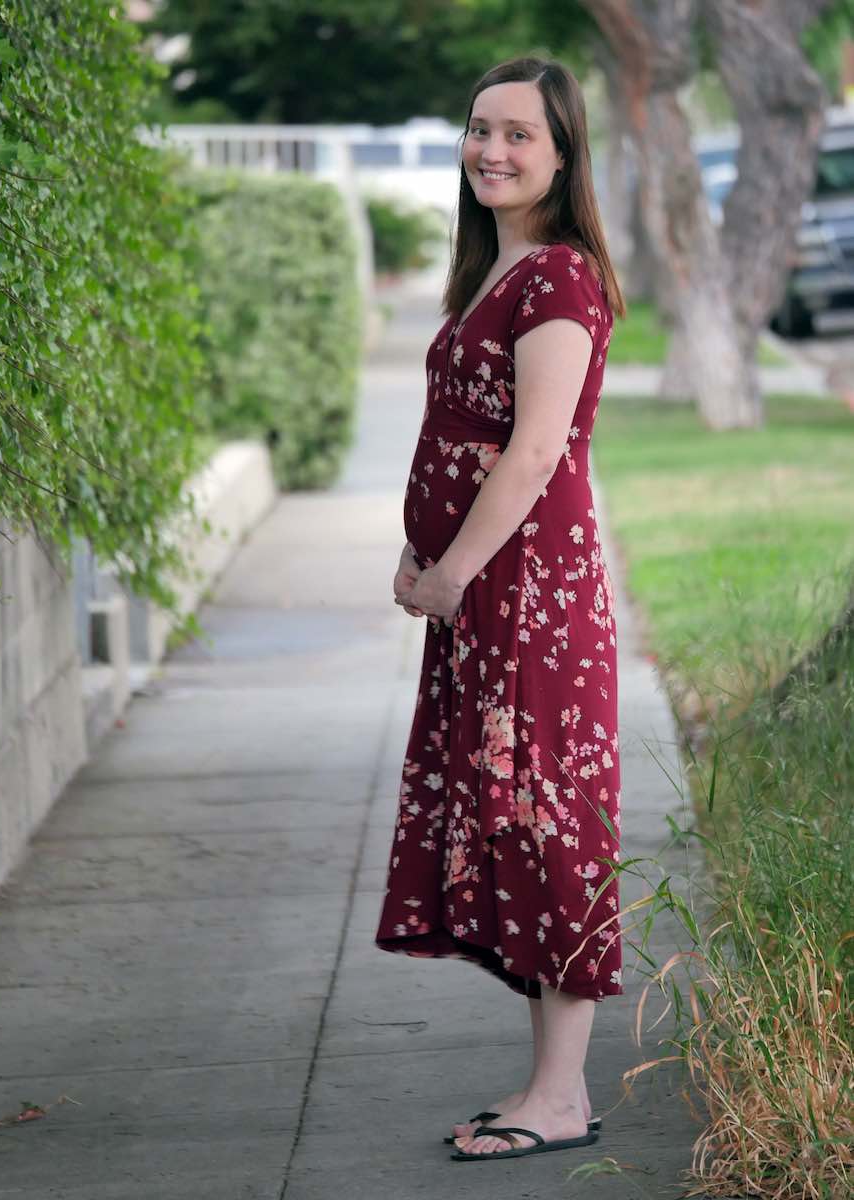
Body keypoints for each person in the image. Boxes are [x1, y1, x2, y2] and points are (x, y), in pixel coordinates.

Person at [373, 55, 628, 1162]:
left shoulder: (559, 278)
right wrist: (418, 551)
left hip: (530, 603)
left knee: (547, 826)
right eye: (481, 129)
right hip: (485, 598)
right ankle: (549, 1086)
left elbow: (532, 454)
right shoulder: (496, 269)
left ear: (563, 156)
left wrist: (450, 573)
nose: (492, 150)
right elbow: (456, 434)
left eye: (520, 134)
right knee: (514, 825)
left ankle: (561, 1098)